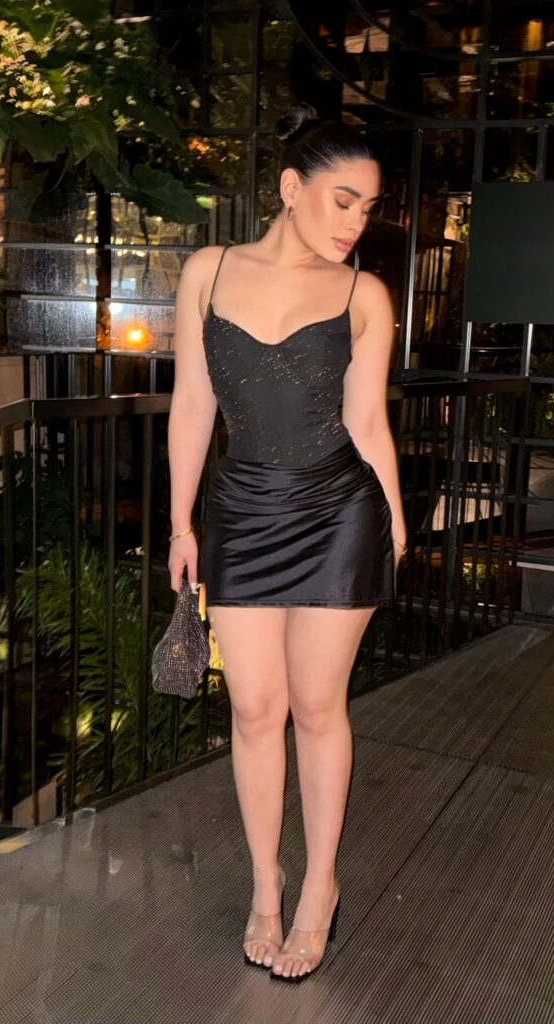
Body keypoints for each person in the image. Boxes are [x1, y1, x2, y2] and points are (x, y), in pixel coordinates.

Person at [166, 103, 407, 982]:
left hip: (339, 514)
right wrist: (180, 523)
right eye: (343, 201)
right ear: (290, 188)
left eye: (367, 209)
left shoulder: (362, 295)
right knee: (254, 709)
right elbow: (192, 404)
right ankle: (265, 885)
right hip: (242, 511)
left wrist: (395, 518)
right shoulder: (207, 271)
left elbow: (367, 422)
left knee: (317, 706)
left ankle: (319, 887)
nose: (354, 223)